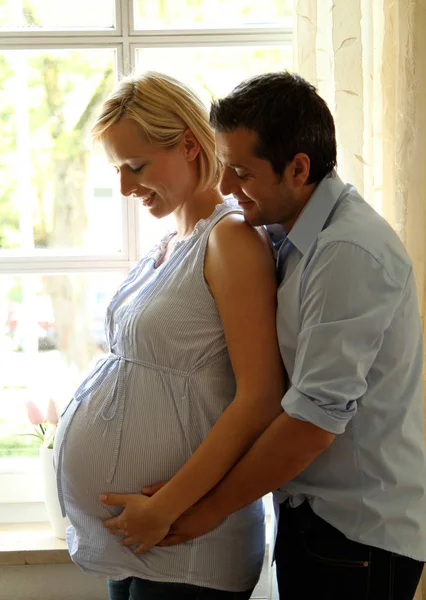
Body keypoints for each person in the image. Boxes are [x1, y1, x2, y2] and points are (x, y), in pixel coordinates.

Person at [141, 72, 426, 600]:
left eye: (241, 171)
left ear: (298, 168)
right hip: (316, 523)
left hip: (355, 534)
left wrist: (201, 511)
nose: (225, 186)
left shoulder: (347, 253)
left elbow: (312, 423)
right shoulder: (287, 233)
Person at [53, 71, 284, 600]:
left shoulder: (230, 241)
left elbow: (259, 399)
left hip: (186, 542)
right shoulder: (171, 241)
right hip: (141, 538)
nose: (124, 188)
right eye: (117, 170)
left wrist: (165, 507)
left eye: (135, 167)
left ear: (186, 144)